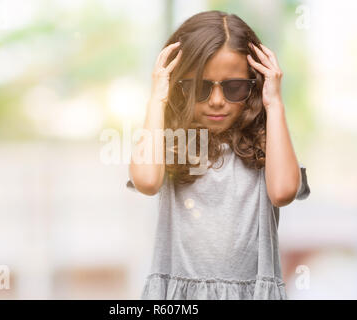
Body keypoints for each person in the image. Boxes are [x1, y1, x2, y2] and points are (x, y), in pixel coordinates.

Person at [126, 10, 310, 300]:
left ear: (254, 86)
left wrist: (274, 102)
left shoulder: (267, 144)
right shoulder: (175, 143)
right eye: (199, 87)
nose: (216, 101)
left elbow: (283, 192)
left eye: (234, 87)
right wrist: (157, 98)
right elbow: (147, 181)